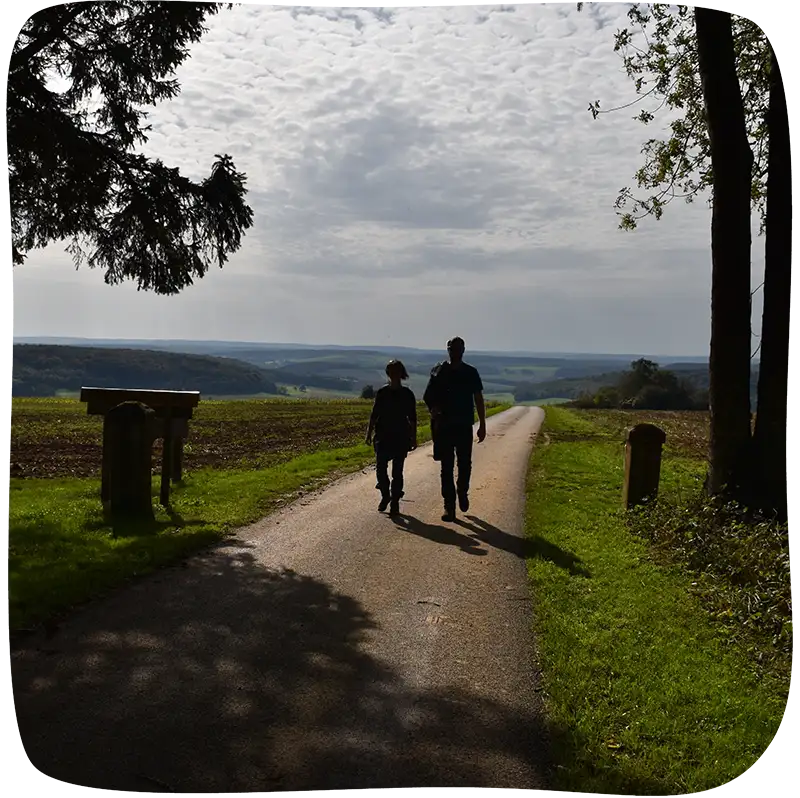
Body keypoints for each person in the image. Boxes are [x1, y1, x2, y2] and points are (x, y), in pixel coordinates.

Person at [423, 336, 486, 522]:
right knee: (446, 466)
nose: (455, 351)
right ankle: (449, 506)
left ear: (463, 350)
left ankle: (462, 491)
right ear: (448, 349)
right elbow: (428, 396)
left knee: (464, 463)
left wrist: (482, 424)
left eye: (458, 348)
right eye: (452, 348)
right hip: (444, 426)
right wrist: (433, 409)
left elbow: (478, 399)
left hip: (464, 424)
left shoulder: (471, 373)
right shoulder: (438, 372)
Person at [365, 359, 418, 515]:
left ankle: (394, 501)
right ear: (388, 374)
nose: (394, 375)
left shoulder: (407, 394)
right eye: (391, 372)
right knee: (381, 469)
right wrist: (368, 433)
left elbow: (413, 418)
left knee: (397, 472)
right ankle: (385, 495)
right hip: (383, 436)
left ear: (401, 374)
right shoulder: (383, 393)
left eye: (396, 372)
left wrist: (413, 438)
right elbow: (374, 414)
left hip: (400, 437)